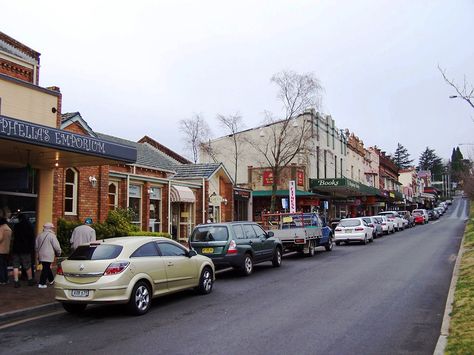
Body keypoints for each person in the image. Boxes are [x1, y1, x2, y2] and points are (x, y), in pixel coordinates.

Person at [11, 213, 36, 287]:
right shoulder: (29, 226)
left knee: (15, 266)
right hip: (25, 249)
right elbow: (32, 238)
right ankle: (30, 280)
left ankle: (16, 281)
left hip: (16, 248)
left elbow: (13, 237)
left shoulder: (16, 226)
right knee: (27, 265)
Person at [36, 222, 61, 289]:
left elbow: (36, 246)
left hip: (41, 254)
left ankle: (51, 280)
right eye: (52, 228)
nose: (53, 229)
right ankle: (42, 283)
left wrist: (37, 253)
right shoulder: (52, 235)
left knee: (46, 267)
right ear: (50, 228)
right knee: (45, 268)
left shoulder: (40, 235)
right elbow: (56, 246)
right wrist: (59, 252)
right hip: (48, 254)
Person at [0, 218, 12, 285]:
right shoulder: (9, 229)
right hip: (6, 249)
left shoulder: (1, 228)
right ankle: (6, 279)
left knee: (1, 266)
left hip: (0, 250)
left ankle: (2, 280)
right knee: (4, 265)